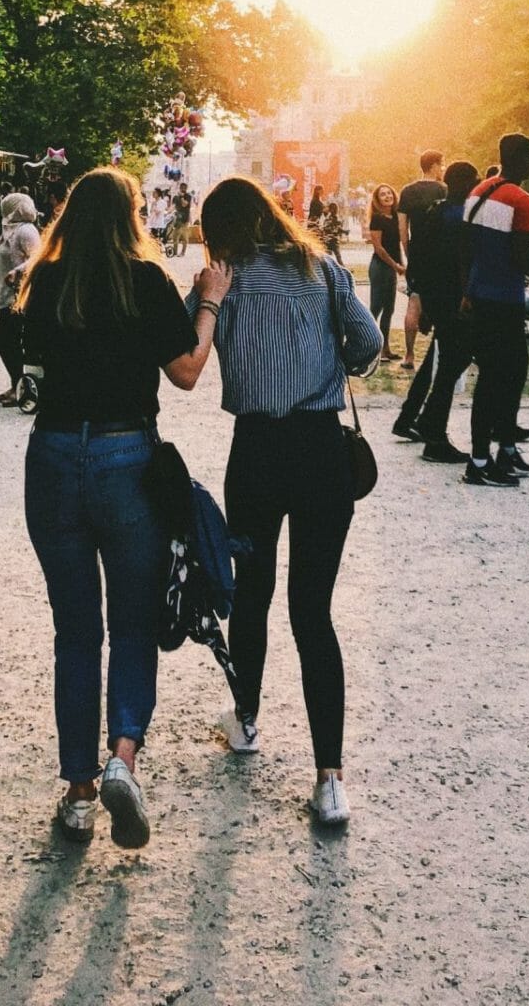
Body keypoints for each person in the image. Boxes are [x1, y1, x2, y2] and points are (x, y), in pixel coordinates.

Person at [15, 168, 226, 847]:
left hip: (52, 455)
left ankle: (77, 795)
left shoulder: (45, 280)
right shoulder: (145, 280)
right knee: (133, 624)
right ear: (133, 216)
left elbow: (22, 358)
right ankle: (121, 760)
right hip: (126, 455)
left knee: (75, 630)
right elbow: (187, 371)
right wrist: (209, 303)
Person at [192, 176, 382, 826]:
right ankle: (330, 778)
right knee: (313, 613)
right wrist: (332, 363)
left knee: (253, 592)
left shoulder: (225, 280)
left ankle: (245, 719)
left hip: (257, 453)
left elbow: (197, 352)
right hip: (322, 451)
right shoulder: (324, 269)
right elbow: (369, 345)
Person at [461, 133, 529, 489]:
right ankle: (480, 460)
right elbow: (520, 257)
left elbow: (468, 249)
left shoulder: (478, 192)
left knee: (501, 373)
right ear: (523, 158)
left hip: (479, 295)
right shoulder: (522, 201)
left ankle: (504, 449)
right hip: (505, 298)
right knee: (502, 378)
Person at [391, 159, 478, 460]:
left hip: (437, 296)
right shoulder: (462, 216)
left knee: (439, 360)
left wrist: (424, 299)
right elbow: (462, 261)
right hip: (456, 299)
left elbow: (418, 253)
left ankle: (412, 419)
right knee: (453, 361)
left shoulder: (434, 212)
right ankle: (433, 432)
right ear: (465, 184)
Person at [397, 151, 447, 371]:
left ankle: (409, 355)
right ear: (434, 166)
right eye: (442, 165)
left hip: (418, 252)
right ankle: (440, 354)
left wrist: (409, 251)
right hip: (441, 252)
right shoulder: (444, 190)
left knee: (414, 302)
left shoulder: (407, 191)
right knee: (444, 303)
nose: (443, 169)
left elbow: (402, 228)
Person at [0, 192, 41, 406]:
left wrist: (18, 271)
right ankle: (18, 385)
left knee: (5, 341)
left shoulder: (26, 231)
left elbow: (39, 257)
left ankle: (22, 387)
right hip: (7, 294)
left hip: (20, 296)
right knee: (8, 342)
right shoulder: (9, 231)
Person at [366, 182, 405, 362]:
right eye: (383, 194)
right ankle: (368, 345)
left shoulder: (396, 216)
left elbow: (397, 245)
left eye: (389, 193)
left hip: (392, 266)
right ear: (377, 199)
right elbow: (379, 248)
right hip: (380, 267)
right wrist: (395, 265)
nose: (387, 196)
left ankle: (385, 348)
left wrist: (402, 263)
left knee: (389, 309)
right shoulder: (377, 218)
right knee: (376, 308)